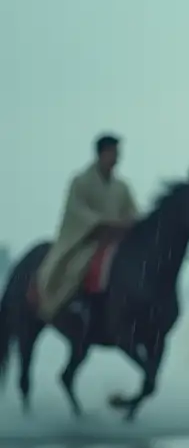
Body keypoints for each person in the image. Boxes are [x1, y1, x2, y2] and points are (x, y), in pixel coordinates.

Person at [34, 133, 139, 325]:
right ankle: (70, 304)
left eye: (118, 153)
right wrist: (102, 223)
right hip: (87, 240)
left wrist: (131, 222)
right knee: (78, 267)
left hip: (115, 240)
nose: (117, 157)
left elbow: (132, 211)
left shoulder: (121, 186)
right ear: (101, 154)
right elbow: (77, 211)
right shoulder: (81, 181)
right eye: (113, 153)